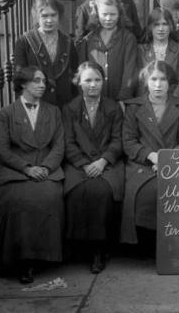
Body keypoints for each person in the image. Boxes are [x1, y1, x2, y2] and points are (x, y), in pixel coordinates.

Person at [0, 67, 65, 284]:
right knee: (16, 200)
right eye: (36, 81)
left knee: (48, 196)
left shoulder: (53, 111)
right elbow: (3, 150)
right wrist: (26, 168)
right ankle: (21, 261)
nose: (42, 85)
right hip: (17, 172)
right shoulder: (7, 113)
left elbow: (59, 146)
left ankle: (44, 257)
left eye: (43, 80)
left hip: (46, 170)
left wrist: (45, 167)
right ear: (23, 84)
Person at [120, 61, 179, 245]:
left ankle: (172, 243)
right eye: (153, 79)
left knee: (172, 191)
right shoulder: (134, 107)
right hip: (142, 164)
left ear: (171, 83)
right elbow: (129, 142)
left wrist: (167, 161)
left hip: (174, 164)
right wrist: (152, 156)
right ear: (146, 82)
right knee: (146, 193)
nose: (158, 85)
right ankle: (145, 244)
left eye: (163, 80)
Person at [62, 62, 123, 274]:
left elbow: (117, 140)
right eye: (87, 80)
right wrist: (83, 163)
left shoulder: (113, 107)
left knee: (102, 191)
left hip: (106, 163)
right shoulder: (70, 109)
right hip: (80, 164)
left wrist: (103, 161)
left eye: (97, 80)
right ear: (78, 82)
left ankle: (99, 248)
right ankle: (79, 247)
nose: (93, 85)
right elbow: (68, 142)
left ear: (103, 82)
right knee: (76, 190)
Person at [14, 0, 78, 108]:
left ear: (59, 16)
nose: (49, 20)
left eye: (53, 15)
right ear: (36, 17)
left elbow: (75, 73)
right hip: (36, 103)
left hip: (63, 105)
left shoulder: (68, 42)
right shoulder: (25, 41)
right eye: (44, 16)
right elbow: (20, 78)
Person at [76, 0, 138, 102]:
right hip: (93, 99)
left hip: (120, 100)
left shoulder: (128, 38)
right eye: (104, 14)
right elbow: (82, 71)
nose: (108, 18)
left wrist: (123, 97)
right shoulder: (88, 40)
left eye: (113, 14)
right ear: (97, 15)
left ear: (119, 14)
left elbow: (130, 71)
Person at [137, 8, 179, 99]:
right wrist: (147, 102)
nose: (161, 29)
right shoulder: (141, 50)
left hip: (174, 101)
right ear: (150, 27)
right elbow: (140, 81)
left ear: (170, 26)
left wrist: (171, 102)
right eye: (156, 24)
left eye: (165, 24)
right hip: (147, 102)